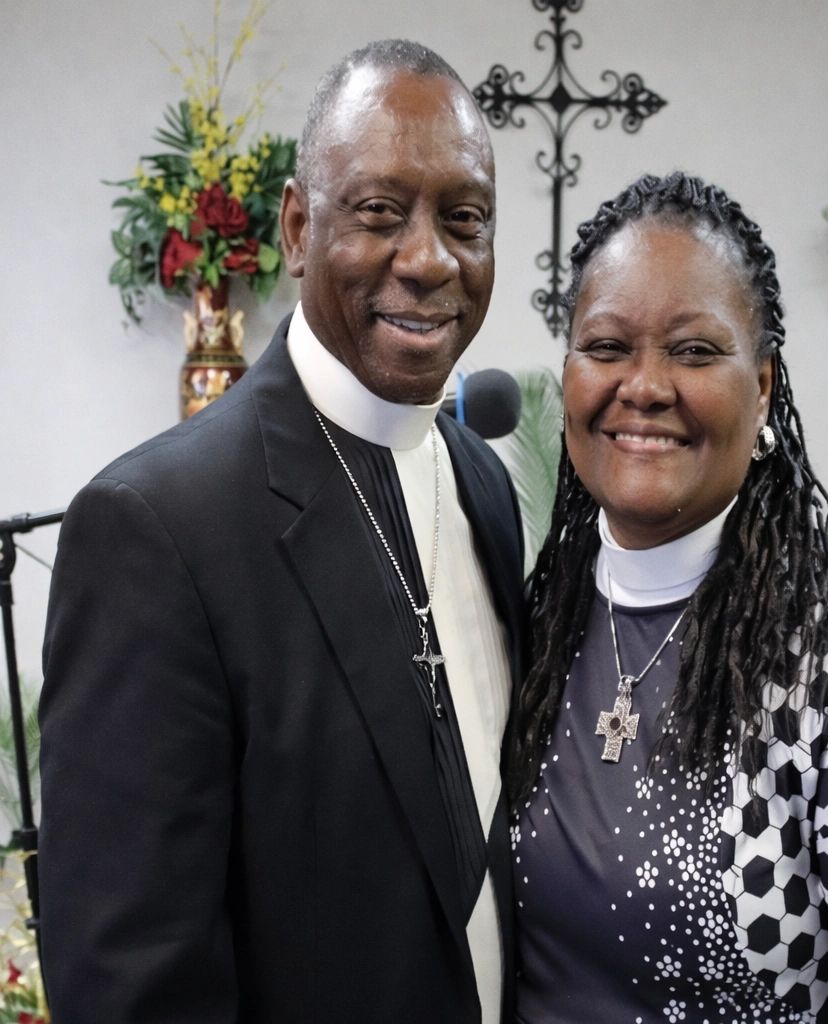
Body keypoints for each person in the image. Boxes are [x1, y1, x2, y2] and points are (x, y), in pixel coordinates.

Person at [39, 40, 523, 1023]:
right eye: (380, 211)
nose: (428, 259)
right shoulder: (158, 529)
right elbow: (133, 987)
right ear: (300, 227)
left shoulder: (482, 484)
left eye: (463, 219)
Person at [508, 172, 828, 1023]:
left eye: (695, 351)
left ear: (766, 384)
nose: (644, 386)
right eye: (605, 347)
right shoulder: (535, 612)